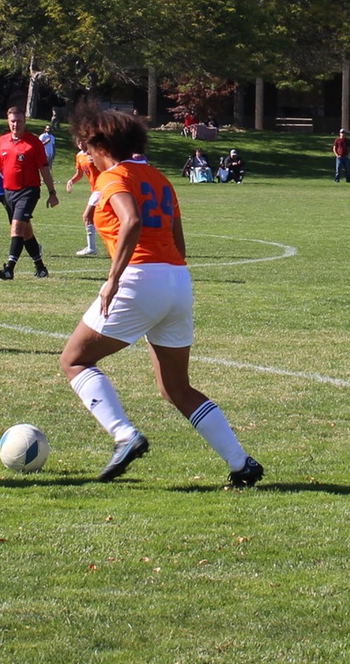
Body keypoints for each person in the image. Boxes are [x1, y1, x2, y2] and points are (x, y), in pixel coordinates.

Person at [58, 105, 262, 488]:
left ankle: (124, 435)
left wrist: (113, 279)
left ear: (101, 143)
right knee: (175, 388)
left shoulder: (113, 177)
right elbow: (178, 241)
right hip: (176, 280)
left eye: (85, 144)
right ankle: (242, 464)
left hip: (139, 277)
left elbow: (131, 219)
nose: (83, 151)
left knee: (73, 360)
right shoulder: (159, 178)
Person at [0, 105, 58, 281]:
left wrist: (52, 192)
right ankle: (41, 268)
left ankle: (9, 269)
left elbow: (44, 169)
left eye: (19, 121)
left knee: (17, 227)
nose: (15, 125)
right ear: (8, 121)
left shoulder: (33, 143)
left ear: (24, 121)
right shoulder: (2, 142)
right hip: (8, 193)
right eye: (13, 121)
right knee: (25, 232)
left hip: (29, 191)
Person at [72, 140, 105, 255]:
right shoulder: (79, 156)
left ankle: (92, 247)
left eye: (82, 140)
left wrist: (97, 162)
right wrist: (71, 181)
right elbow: (80, 173)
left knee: (87, 216)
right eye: (78, 141)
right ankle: (92, 247)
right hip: (95, 190)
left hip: (102, 188)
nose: (80, 143)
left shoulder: (96, 153)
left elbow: (107, 167)